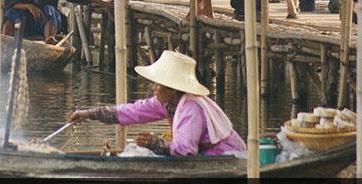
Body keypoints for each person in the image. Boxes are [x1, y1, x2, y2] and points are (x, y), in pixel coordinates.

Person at [69, 51, 246, 157]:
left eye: (158, 85)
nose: (154, 88)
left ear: (172, 90)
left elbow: (186, 151)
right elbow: (132, 111)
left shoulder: (191, 108)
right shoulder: (167, 102)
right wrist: (89, 114)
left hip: (226, 155)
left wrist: (155, 143)